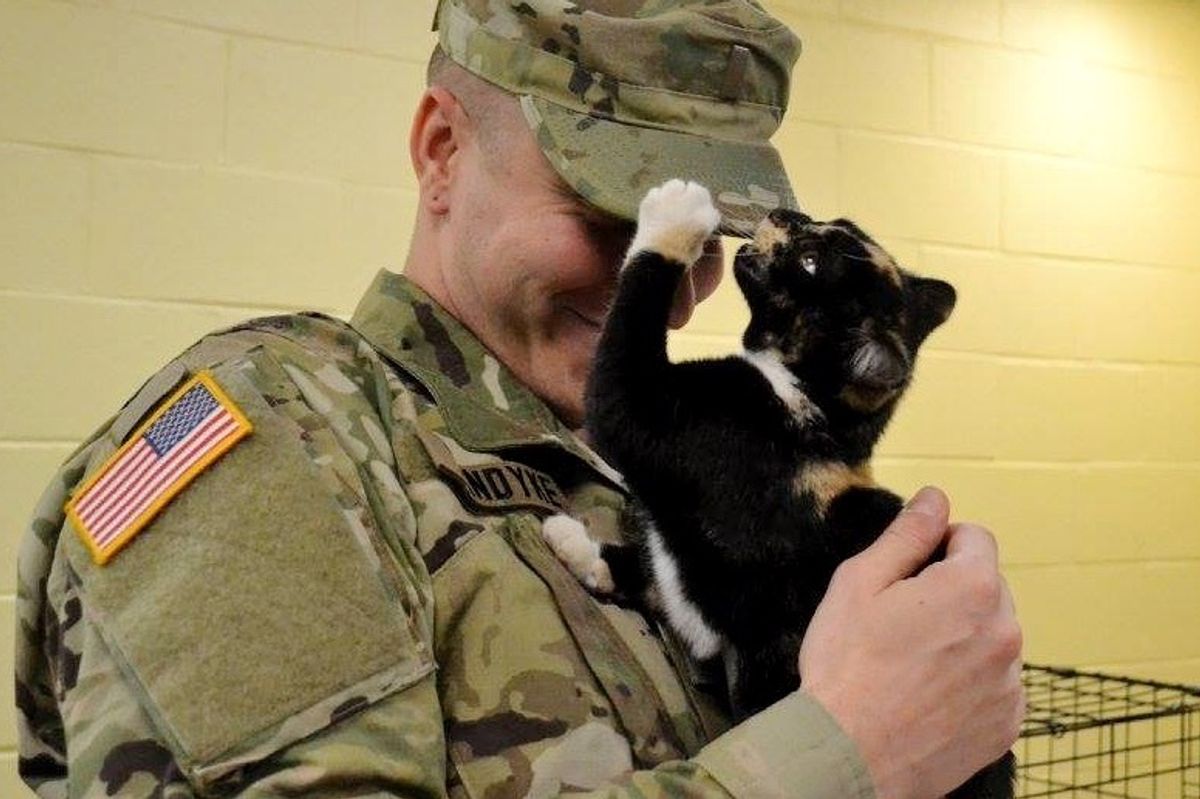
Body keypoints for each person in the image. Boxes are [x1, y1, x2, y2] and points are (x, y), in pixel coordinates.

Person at [13, 1, 1023, 797]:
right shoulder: (282, 437)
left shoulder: (616, 473)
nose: (670, 293)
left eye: (702, 244)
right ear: (441, 149)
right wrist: (845, 751)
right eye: (605, 215)